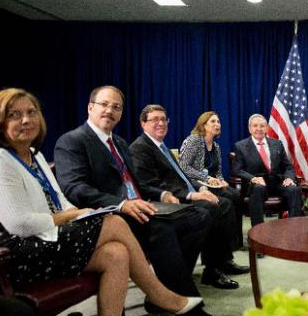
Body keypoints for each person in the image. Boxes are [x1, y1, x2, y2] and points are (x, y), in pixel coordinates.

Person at [0, 88, 202, 316]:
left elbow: (60, 199)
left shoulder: (36, 154)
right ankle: (160, 295)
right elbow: (19, 224)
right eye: (14, 115)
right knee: (114, 223)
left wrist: (78, 213)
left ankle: (158, 296)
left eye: (31, 112)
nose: (25, 120)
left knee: (117, 253)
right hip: (14, 250)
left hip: (48, 233)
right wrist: (72, 216)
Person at [53, 85, 213, 315]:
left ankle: (167, 287)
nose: (110, 110)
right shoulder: (72, 141)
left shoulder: (119, 143)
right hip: (108, 216)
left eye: (116, 107)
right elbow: (74, 188)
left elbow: (137, 183)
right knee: (160, 228)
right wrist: (120, 204)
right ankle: (185, 306)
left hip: (142, 206)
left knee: (201, 216)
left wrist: (161, 194)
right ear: (90, 107)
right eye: (104, 104)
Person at [129, 105, 249, 290]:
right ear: (143, 123)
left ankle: (219, 263)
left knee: (224, 201)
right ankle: (210, 270)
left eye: (164, 119)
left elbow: (181, 176)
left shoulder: (161, 146)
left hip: (187, 190)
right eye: (155, 119)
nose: (160, 123)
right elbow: (149, 184)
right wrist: (193, 193)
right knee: (214, 207)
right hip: (166, 202)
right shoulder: (140, 148)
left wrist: (202, 188)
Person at [179, 111, 243, 249]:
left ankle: (236, 240)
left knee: (236, 195)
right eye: (213, 121)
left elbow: (218, 172)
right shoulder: (194, 140)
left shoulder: (216, 147)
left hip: (214, 185)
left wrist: (221, 180)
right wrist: (207, 178)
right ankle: (227, 244)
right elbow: (183, 167)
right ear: (203, 125)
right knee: (227, 202)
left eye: (218, 122)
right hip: (195, 184)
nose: (217, 124)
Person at [232, 114, 303, 227]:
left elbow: (288, 166)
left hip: (276, 183)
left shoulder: (277, 144)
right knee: (258, 189)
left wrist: (289, 178)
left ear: (267, 128)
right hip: (256, 185)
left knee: (294, 190)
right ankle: (258, 232)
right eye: (255, 126)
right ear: (249, 128)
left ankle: (294, 230)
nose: (259, 129)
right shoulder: (240, 146)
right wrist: (253, 178)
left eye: (262, 126)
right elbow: (237, 170)